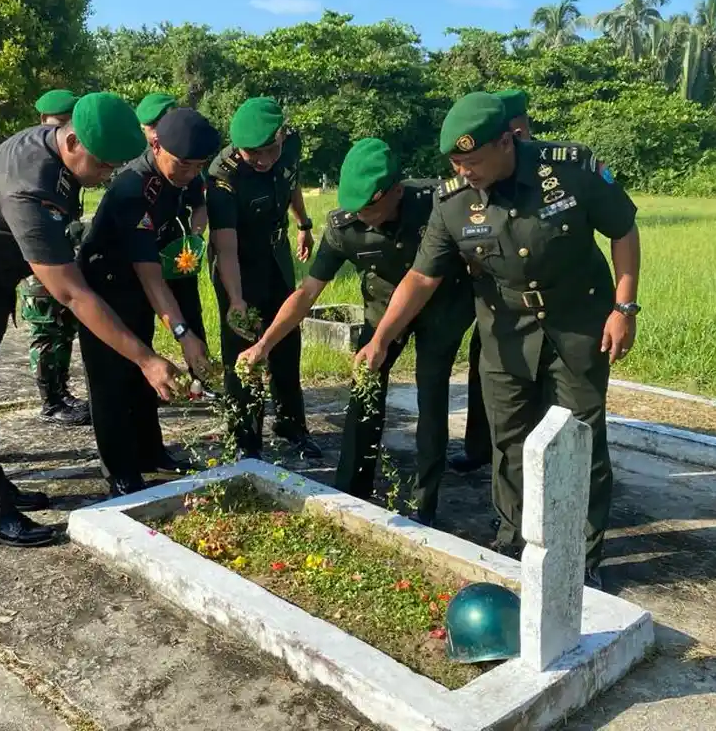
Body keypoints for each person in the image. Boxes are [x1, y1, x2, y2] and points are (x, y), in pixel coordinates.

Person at [354, 92, 642, 589]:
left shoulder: (570, 169)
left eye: (473, 160)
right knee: (508, 442)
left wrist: (624, 307)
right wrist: (382, 339)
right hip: (505, 333)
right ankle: (514, 539)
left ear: (507, 141)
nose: (465, 171)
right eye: (456, 163)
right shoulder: (453, 203)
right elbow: (422, 278)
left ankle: (582, 556)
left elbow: (623, 229)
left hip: (579, 325)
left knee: (579, 441)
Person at [0, 93, 181, 547]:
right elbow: (70, 292)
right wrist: (146, 359)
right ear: (72, 143)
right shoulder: (30, 186)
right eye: (103, 165)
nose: (107, 177)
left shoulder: (55, 150)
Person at [238, 138, 473, 526]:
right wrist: (264, 344)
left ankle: (424, 505)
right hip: (382, 311)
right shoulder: (343, 226)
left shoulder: (436, 202)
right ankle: (352, 491)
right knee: (364, 391)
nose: (363, 218)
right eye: (357, 210)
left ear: (396, 191)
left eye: (371, 209)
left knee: (431, 398)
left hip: (442, 309)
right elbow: (307, 292)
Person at [77, 107, 220, 493]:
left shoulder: (181, 174)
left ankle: (150, 453)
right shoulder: (132, 188)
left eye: (198, 167)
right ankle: (120, 472)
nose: (190, 174)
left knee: (144, 377)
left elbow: (161, 258)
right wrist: (182, 333)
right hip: (104, 289)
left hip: (139, 283)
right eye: (184, 165)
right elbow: (149, 274)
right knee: (111, 381)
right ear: (156, 145)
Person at [206, 97, 321, 460]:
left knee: (286, 339)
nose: (259, 160)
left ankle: (290, 423)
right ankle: (245, 438)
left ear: (282, 137)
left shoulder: (291, 145)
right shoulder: (224, 175)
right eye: (250, 153)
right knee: (243, 347)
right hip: (237, 264)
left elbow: (291, 181)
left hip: (276, 255)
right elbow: (224, 246)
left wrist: (302, 223)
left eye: (267, 150)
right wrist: (236, 300)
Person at [450, 87, 532, 474]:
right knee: (489, 374)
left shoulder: (550, 172)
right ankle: (481, 447)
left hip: (550, 309)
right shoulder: (472, 178)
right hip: (496, 302)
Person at [17, 88, 92, 426]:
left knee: (63, 329)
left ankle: (61, 392)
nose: (63, 130)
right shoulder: (33, 162)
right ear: (42, 122)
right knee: (46, 331)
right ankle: (50, 401)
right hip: (38, 263)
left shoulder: (66, 166)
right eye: (58, 123)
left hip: (62, 255)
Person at [134, 92, 211, 392]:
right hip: (142, 253)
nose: (157, 130)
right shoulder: (137, 170)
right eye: (151, 126)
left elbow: (200, 207)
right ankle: (150, 381)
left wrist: (194, 237)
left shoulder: (187, 161)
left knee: (190, 311)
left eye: (162, 122)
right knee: (144, 317)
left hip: (178, 251)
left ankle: (202, 378)